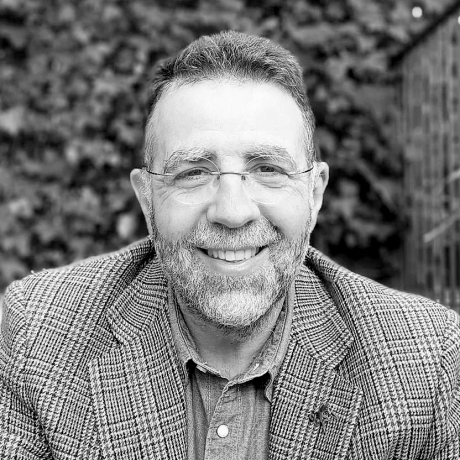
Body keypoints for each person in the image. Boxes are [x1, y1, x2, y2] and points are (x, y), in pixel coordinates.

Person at [1, 30, 459, 460]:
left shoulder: (425, 363)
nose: (233, 211)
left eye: (268, 170)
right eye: (193, 173)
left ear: (315, 193)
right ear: (147, 198)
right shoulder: (37, 336)